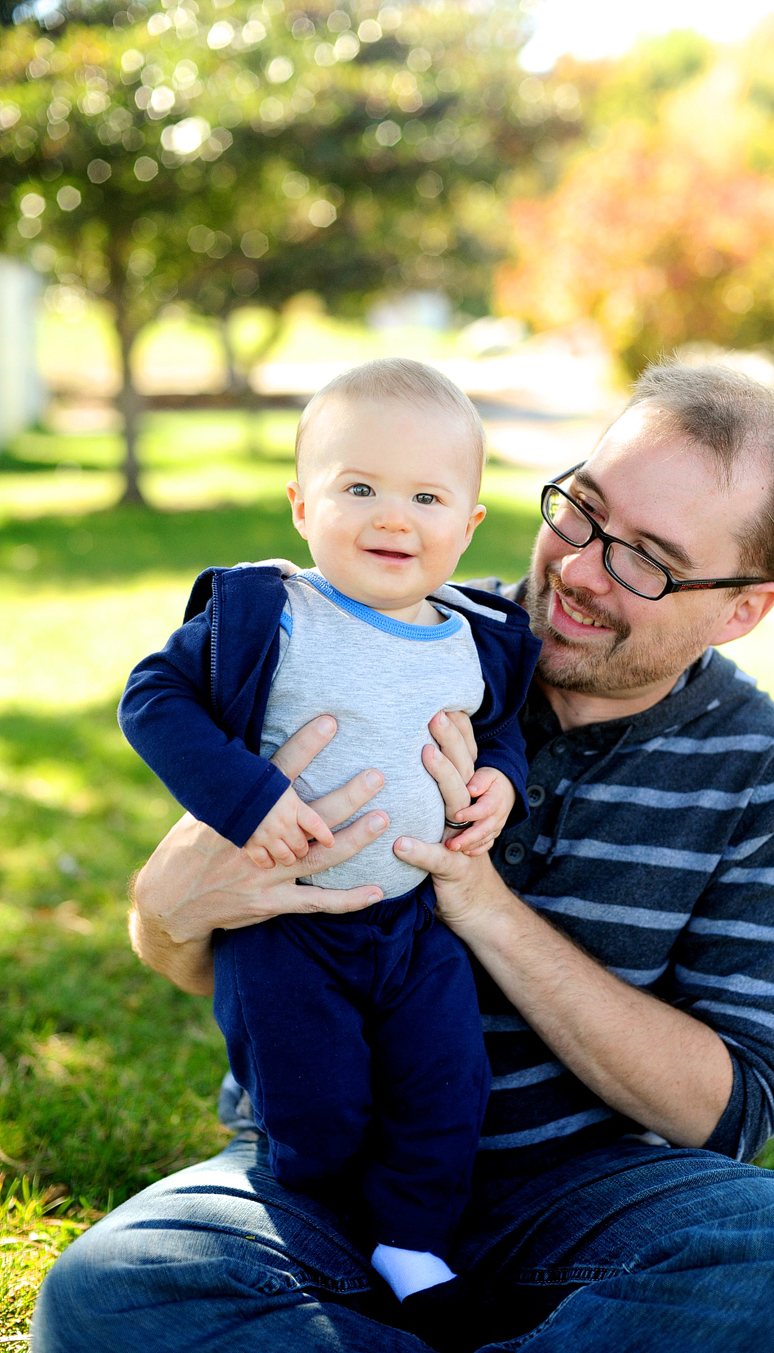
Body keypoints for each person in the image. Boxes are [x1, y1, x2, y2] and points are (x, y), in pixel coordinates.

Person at [32, 362, 774, 1353]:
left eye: (647, 559)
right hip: (319, 1185)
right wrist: (171, 907)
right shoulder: (394, 627)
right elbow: (177, 922)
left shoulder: (767, 768)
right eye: (582, 511)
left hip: (587, 1197)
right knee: (106, 1296)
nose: (580, 570)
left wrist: (482, 903)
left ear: (743, 608)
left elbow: (730, 1110)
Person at [116, 358, 541, 1336]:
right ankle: (317, 1225)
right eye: (360, 489)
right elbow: (154, 701)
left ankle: (410, 1242)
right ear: (302, 504)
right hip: (287, 925)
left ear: (469, 523)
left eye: (427, 497)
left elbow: (503, 723)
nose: (393, 518)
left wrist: (500, 782)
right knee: (315, 1099)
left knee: (447, 1083)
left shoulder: (477, 635)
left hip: (413, 924)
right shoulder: (268, 613)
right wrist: (250, 799)